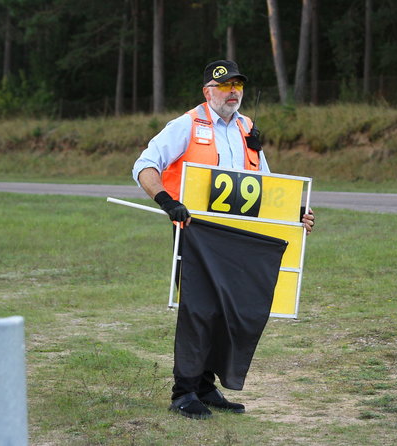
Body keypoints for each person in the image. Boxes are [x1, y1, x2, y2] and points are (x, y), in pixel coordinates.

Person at [132, 60, 315, 420]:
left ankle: (204, 385)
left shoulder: (247, 127)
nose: (233, 92)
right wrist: (166, 201)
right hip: (196, 234)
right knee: (198, 310)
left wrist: (294, 211)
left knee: (227, 312)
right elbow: (144, 165)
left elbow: (264, 183)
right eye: (225, 85)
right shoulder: (186, 125)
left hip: (237, 238)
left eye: (238, 86)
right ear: (208, 91)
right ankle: (183, 392)